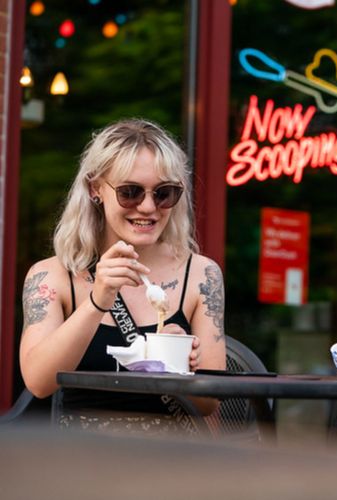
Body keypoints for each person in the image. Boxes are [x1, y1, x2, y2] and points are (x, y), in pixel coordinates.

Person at [19, 118, 226, 419]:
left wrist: (179, 368)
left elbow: (210, 404)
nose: (148, 207)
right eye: (130, 192)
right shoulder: (53, 276)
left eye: (164, 193)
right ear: (95, 189)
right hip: (82, 459)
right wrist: (96, 302)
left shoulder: (201, 274)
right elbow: (39, 382)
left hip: (170, 460)